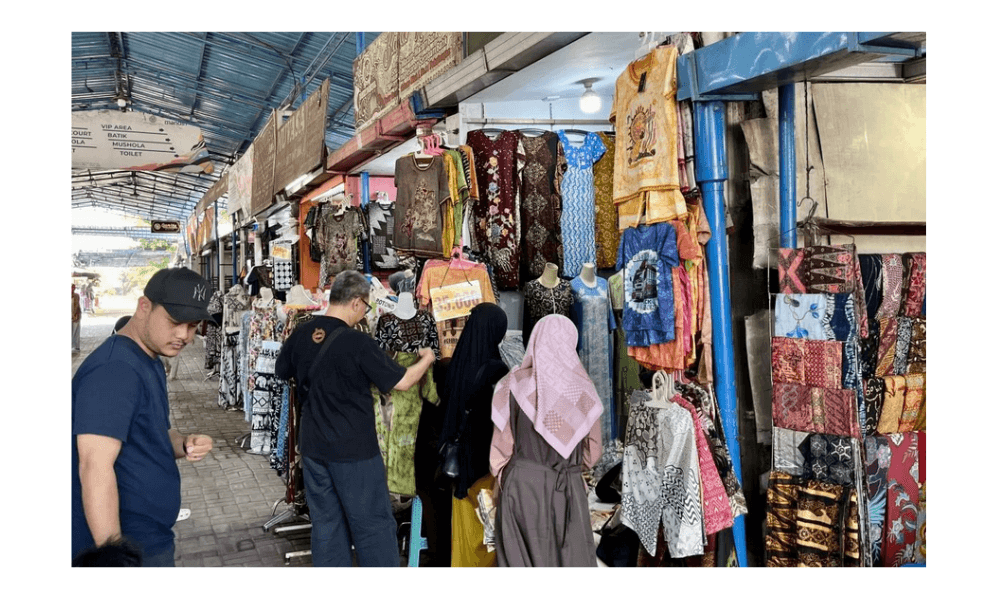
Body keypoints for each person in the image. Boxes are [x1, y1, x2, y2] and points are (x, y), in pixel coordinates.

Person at [275, 270, 436, 567]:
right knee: (372, 526)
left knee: (326, 525)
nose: (364, 313)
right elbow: (402, 382)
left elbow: (282, 371)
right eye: (366, 306)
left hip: (313, 447)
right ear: (356, 302)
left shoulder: (301, 333)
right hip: (354, 450)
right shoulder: (358, 342)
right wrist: (426, 359)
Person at [72, 267, 217, 567]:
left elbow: (154, 433)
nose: (184, 335)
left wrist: (183, 443)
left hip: (149, 538)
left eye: (192, 326)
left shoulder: (148, 359)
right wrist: (114, 557)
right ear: (144, 307)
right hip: (126, 548)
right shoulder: (115, 370)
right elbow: (94, 466)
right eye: (175, 322)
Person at [490, 314, 603, 567]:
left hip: (522, 487)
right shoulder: (584, 390)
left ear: (535, 340)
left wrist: (501, 477)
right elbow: (592, 453)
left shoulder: (512, 384)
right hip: (567, 488)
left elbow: (501, 449)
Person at [72, 284, 82, 352]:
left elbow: (77, 306)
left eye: (74, 288)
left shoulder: (76, 296)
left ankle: (76, 346)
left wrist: (76, 315)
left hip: (76, 315)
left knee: (76, 331)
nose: (73, 289)